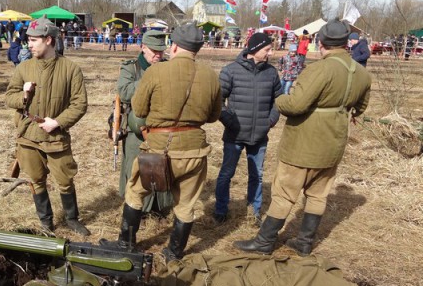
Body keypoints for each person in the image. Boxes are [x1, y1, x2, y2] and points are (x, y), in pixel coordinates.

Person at [234, 18, 371, 256]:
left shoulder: (319, 69)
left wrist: (277, 100)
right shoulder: (361, 73)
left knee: (285, 192)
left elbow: (295, 105)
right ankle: (305, 242)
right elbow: (361, 107)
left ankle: (265, 241)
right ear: (345, 43)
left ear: (322, 43)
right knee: (318, 194)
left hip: (304, 144)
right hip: (334, 143)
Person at [105, 23, 222, 262]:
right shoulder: (211, 75)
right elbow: (213, 116)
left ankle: (126, 244)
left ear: (175, 46)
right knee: (186, 205)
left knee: (135, 192)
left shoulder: (156, 72)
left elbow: (138, 108)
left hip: (159, 148)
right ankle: (173, 253)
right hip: (195, 150)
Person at [4, 15, 89, 236]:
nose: (29, 45)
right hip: (28, 135)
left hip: (55, 137)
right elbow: (8, 97)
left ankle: (72, 218)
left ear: (49, 40)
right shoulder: (24, 67)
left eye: (34, 40)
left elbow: (80, 104)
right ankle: (46, 222)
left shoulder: (71, 69)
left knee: (65, 180)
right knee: (36, 180)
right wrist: (23, 95)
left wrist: (58, 122)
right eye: (28, 40)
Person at [214, 32, 281, 226]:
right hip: (234, 134)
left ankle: (254, 210)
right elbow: (218, 101)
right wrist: (230, 122)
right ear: (254, 49)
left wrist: (269, 121)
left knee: (257, 175)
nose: (270, 53)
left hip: (260, 134)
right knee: (226, 173)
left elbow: (279, 100)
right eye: (267, 49)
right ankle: (220, 209)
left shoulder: (271, 73)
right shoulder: (230, 71)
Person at [117, 30, 173, 214]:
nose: (158, 55)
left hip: (161, 127)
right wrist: (149, 79)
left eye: (160, 51)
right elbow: (124, 92)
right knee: (136, 168)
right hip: (136, 128)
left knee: (161, 166)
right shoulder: (131, 68)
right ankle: (136, 209)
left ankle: (158, 206)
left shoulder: (168, 67)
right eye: (153, 51)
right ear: (143, 48)